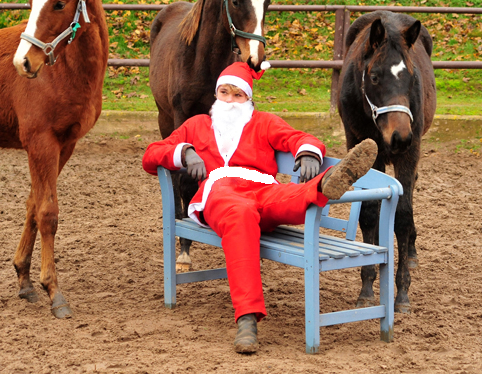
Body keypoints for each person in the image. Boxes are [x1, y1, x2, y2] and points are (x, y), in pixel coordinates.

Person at [142, 61, 377, 353]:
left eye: (238, 95)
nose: (229, 100)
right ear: (216, 95)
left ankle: (326, 182)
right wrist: (185, 152)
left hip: (263, 190)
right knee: (240, 214)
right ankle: (247, 318)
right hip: (222, 192)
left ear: (249, 98)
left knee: (292, 196)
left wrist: (307, 153)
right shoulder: (197, 125)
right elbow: (151, 155)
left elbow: (299, 138)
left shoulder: (264, 122)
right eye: (224, 92)